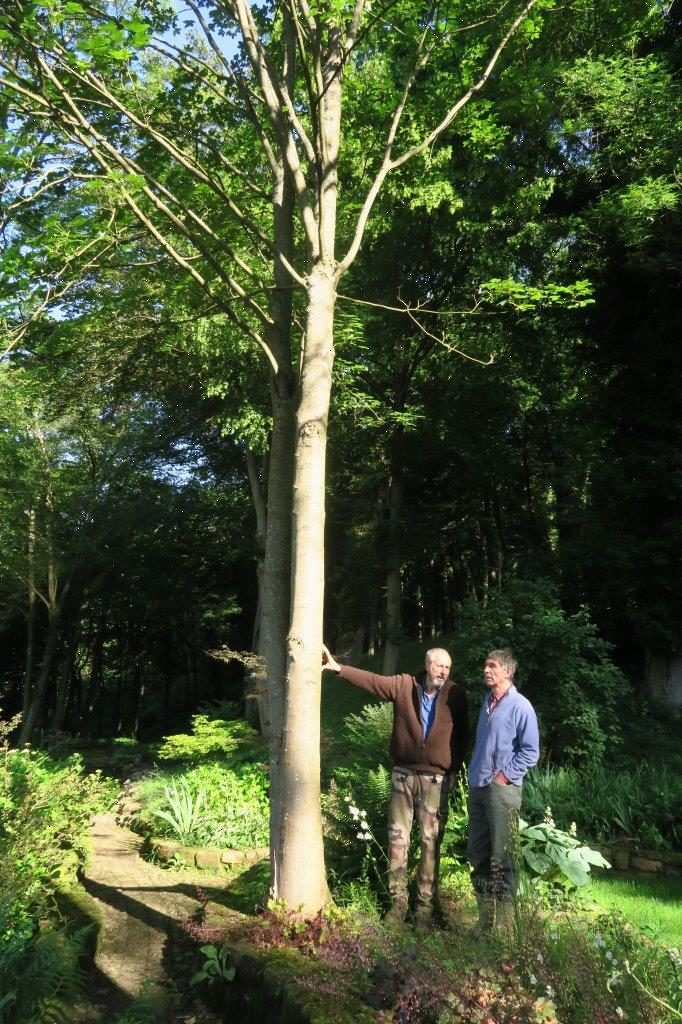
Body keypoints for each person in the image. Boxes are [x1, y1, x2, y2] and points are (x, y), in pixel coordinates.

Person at [322, 644, 469, 929]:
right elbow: (373, 682)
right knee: (397, 841)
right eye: (439, 665)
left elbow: (463, 736)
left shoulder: (456, 695)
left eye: (447, 667)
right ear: (427, 664)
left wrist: (453, 770)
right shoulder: (404, 685)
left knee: (430, 844)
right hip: (403, 775)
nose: (443, 671)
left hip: (435, 781)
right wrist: (339, 668)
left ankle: (424, 910)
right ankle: (397, 905)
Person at [467, 648, 539, 933]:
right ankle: (485, 923)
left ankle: (506, 929)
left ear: (508, 671)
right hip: (478, 787)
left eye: (492, 666)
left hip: (502, 791)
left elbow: (530, 751)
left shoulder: (521, 706)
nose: (486, 670)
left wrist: (505, 776)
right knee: (479, 854)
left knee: (503, 858)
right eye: (485, 666)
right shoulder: (487, 702)